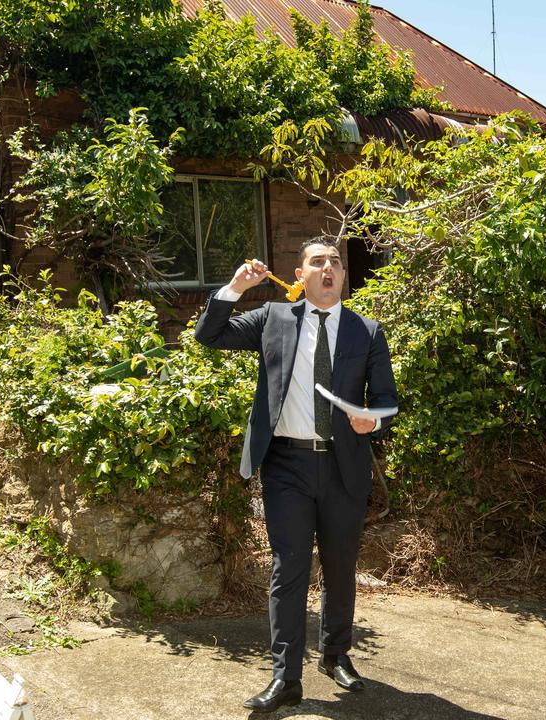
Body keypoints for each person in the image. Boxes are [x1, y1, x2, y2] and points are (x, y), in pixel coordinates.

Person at [195, 237, 399, 713]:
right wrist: (235, 287)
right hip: (285, 464)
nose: (328, 268)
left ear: (343, 277)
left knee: (340, 567)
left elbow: (386, 399)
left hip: (343, 465)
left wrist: (373, 418)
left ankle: (336, 654)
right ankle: (286, 677)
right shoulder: (273, 319)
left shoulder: (365, 331)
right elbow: (209, 335)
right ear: (301, 273)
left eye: (335, 263)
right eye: (317, 262)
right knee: (289, 570)